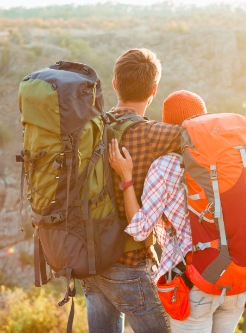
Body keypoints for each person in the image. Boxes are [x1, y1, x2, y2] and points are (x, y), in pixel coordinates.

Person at [109, 90, 246, 333]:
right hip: (237, 281)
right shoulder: (230, 163)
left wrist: (126, 179)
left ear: (168, 126)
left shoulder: (166, 166)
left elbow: (139, 229)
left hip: (195, 283)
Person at [80, 48, 182, 333]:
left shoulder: (91, 128)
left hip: (91, 262)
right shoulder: (152, 135)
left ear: (114, 84)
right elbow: (199, 135)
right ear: (154, 90)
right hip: (130, 265)